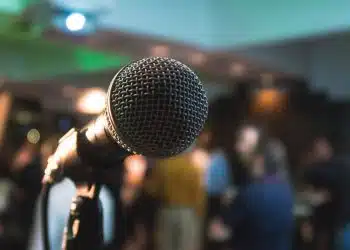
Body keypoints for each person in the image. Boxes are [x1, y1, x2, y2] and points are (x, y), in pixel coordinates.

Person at [214, 123, 294, 250]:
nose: (239, 148)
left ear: (259, 158)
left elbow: (218, 232)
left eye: (245, 142)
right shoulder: (286, 189)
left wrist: (227, 205)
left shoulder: (249, 194)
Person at [145, 149, 205, 250]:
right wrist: (200, 214)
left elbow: (153, 190)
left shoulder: (163, 165)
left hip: (167, 210)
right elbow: (199, 195)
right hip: (188, 213)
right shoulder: (193, 168)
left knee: (165, 245)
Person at [303, 137, 350, 250]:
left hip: (337, 220)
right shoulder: (318, 169)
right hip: (325, 220)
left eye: (321, 148)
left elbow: (336, 187)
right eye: (316, 149)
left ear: (329, 149)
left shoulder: (338, 166)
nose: (319, 152)